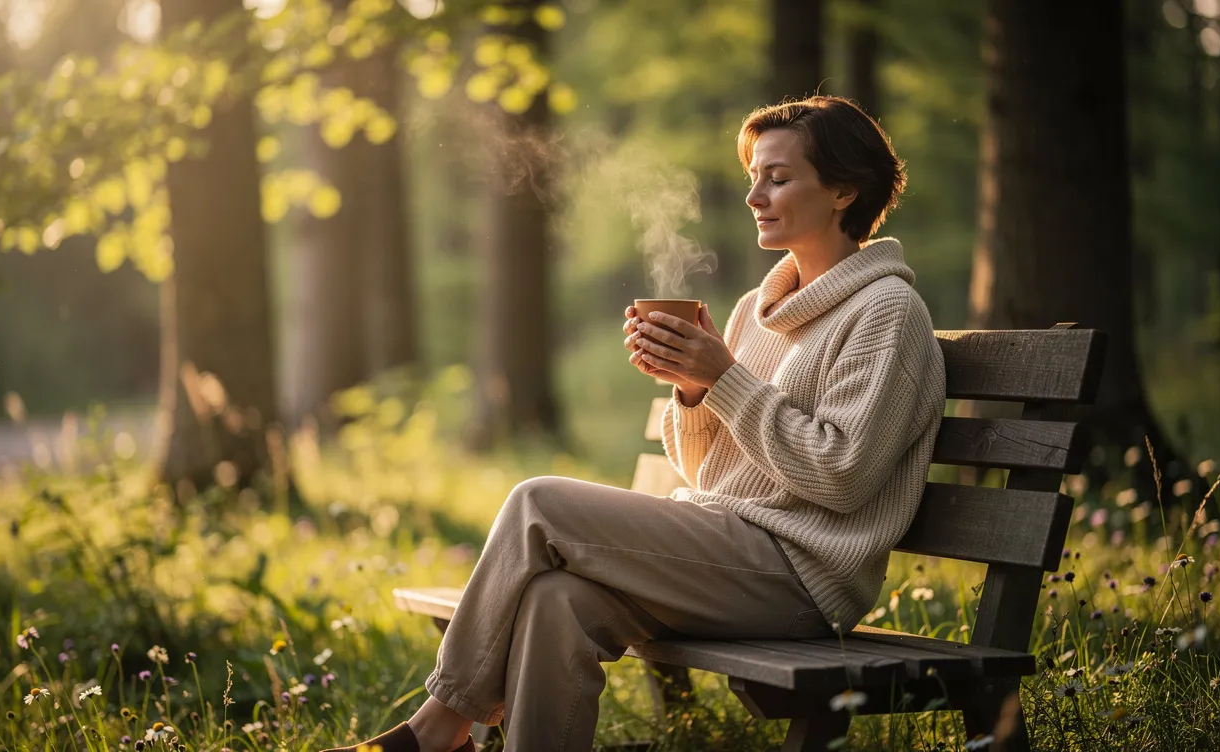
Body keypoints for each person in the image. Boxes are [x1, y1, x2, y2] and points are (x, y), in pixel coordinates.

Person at [322, 95, 946, 752]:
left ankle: (436, 729)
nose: (755, 195)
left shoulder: (886, 313)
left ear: (844, 190)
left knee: (537, 501)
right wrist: (694, 388)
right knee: (556, 602)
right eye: (753, 177)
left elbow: (842, 475)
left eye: (779, 178)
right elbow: (708, 471)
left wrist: (727, 382)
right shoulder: (754, 311)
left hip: (800, 579)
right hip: (726, 555)